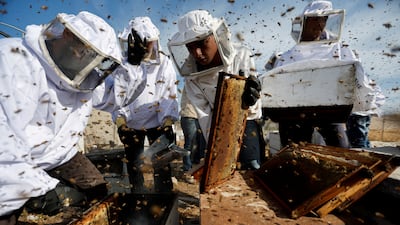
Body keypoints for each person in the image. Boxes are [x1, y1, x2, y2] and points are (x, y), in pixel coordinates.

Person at [0, 11, 147, 224]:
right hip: (16, 162)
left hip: (61, 153)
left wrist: (132, 65)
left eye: (91, 55)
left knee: (98, 192)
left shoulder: (81, 75)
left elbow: (115, 97)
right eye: (81, 48)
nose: (82, 57)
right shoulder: (13, 59)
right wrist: (34, 188)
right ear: (66, 33)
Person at [265, 0, 384, 148]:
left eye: (323, 19)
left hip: (330, 111)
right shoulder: (288, 56)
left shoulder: (340, 50)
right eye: (314, 19)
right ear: (304, 22)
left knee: (341, 151)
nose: (319, 24)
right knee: (294, 152)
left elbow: (359, 79)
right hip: (294, 114)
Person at [168, 10, 263, 170]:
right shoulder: (192, 76)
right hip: (216, 125)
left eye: (202, 43)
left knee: (252, 168)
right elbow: (205, 117)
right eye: (190, 47)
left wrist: (251, 98)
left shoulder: (242, 56)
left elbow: (254, 106)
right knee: (220, 172)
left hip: (247, 122)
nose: (197, 53)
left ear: (216, 36)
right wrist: (218, 148)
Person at [113, 17, 179, 193]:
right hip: (132, 124)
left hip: (157, 121)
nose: (146, 47)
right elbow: (119, 97)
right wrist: (121, 123)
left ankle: (164, 196)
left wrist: (167, 123)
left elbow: (168, 94)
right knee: (134, 163)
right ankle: (138, 196)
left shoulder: (164, 63)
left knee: (161, 162)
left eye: (149, 42)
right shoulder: (123, 65)